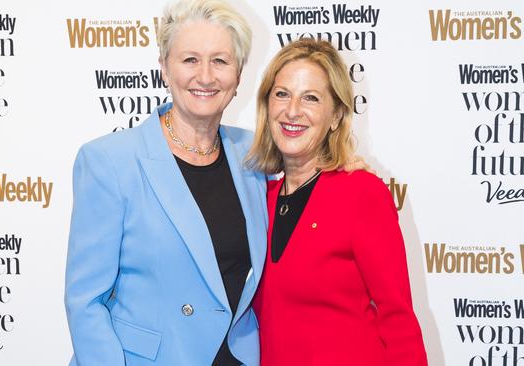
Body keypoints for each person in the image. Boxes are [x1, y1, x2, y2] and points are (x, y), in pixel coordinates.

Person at [64, 0, 266, 365]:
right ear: (164, 69)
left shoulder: (254, 154)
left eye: (220, 61)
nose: (205, 76)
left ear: (238, 76)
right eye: (190, 59)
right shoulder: (109, 162)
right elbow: (85, 302)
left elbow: (313, 164)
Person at [247, 38, 428, 365]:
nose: (292, 111)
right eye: (282, 94)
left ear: (336, 116)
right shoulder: (258, 200)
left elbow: (397, 318)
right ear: (267, 104)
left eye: (311, 98)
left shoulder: (361, 193)